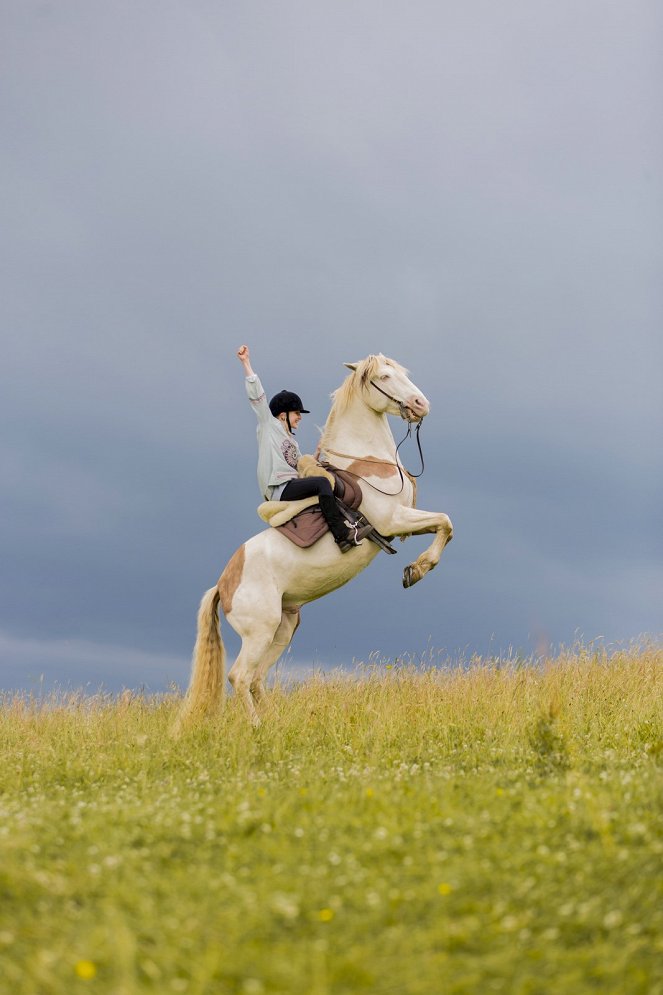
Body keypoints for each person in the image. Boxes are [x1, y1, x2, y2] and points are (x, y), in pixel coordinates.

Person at [237, 345, 372, 551]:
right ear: (283, 415)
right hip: (279, 488)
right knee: (321, 484)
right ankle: (341, 535)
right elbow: (258, 397)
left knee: (327, 479)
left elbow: (301, 466)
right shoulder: (269, 426)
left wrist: (318, 453)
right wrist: (246, 363)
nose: (300, 417)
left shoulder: (292, 441)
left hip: (291, 484)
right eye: (296, 413)